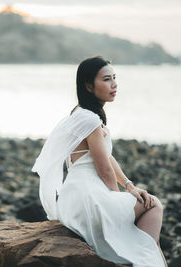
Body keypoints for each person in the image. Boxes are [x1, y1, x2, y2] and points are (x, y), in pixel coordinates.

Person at [31, 56, 168, 267]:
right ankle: (146, 258)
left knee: (143, 219)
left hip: (74, 199)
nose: (114, 84)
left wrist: (129, 186)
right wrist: (116, 201)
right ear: (88, 86)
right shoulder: (91, 120)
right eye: (106, 79)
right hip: (89, 201)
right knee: (154, 205)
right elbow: (103, 169)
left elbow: (108, 158)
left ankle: (142, 253)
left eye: (114, 78)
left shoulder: (80, 114)